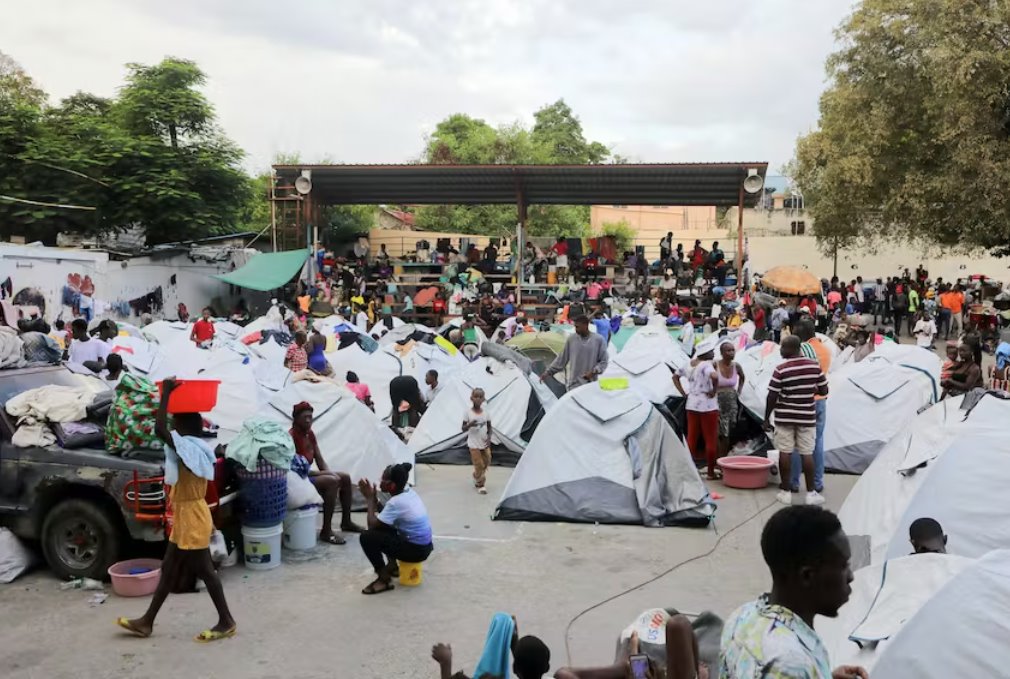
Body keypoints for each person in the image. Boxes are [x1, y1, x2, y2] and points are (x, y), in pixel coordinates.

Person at [116, 378, 236, 642]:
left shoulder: (188, 451)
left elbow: (160, 430)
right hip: (187, 516)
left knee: (205, 570)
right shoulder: (192, 449)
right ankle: (147, 621)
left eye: (176, 424)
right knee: (169, 569)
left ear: (184, 430)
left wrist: (167, 395)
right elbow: (166, 432)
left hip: (192, 517)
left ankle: (226, 620)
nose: (173, 429)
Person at [719, 506, 866, 679]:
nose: (850, 576)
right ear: (807, 576)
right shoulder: (789, 665)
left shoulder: (742, 616)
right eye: (843, 566)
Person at [764, 336, 828, 506]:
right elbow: (824, 389)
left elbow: (772, 395)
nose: (780, 351)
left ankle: (785, 492)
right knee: (807, 453)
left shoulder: (781, 369)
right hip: (806, 416)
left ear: (791, 349)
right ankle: (811, 493)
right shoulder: (814, 366)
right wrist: (811, 389)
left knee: (785, 452)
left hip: (784, 417)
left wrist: (766, 418)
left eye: (782, 348)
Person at [289, 402, 361, 545]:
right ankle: (326, 531)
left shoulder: (310, 434)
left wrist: (329, 473)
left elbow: (320, 461)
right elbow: (295, 470)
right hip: (299, 479)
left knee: (344, 478)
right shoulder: (291, 437)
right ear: (296, 419)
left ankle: (346, 522)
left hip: (308, 474)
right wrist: (329, 477)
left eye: (310, 417)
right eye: (305, 417)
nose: (309, 420)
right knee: (332, 482)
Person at [357, 462, 433, 595]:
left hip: (416, 551)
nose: (380, 481)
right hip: (423, 546)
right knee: (386, 526)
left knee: (366, 536)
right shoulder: (408, 492)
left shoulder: (396, 502)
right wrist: (376, 502)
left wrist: (369, 500)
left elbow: (372, 526)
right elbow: (385, 517)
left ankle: (383, 578)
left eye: (383, 479)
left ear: (391, 485)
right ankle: (392, 566)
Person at [793, 320, 830, 496]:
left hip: (804, 400)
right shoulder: (825, 349)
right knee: (818, 442)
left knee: (796, 442)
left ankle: (793, 481)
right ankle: (817, 481)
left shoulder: (803, 351)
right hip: (821, 400)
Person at [674, 341, 720, 479]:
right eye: (711, 351)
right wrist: (714, 390)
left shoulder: (688, 364)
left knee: (691, 438)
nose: (713, 353)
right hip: (708, 405)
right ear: (705, 353)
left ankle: (689, 471)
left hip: (691, 403)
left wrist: (683, 392)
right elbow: (715, 376)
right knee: (710, 439)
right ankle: (711, 472)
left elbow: (675, 376)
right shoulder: (706, 365)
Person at [540, 315, 608, 389]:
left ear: (586, 325)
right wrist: (548, 372)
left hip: (590, 385)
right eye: (575, 327)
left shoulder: (598, 340)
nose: (576, 329)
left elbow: (604, 361)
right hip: (574, 384)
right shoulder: (572, 339)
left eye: (578, 327)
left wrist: (593, 372)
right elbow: (562, 359)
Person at [715, 342, 745, 462]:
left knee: (727, 433)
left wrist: (739, 391)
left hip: (731, 403)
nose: (731, 353)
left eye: (733, 350)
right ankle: (718, 459)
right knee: (719, 433)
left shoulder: (736, 366)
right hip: (717, 402)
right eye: (728, 350)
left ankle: (723, 459)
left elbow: (742, 377)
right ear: (722, 353)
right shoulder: (715, 365)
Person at [463, 387, 493, 495]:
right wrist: (470, 424)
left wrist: (489, 438)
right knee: (478, 463)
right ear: (471, 398)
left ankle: (476, 476)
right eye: (476, 396)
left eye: (481, 397)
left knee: (486, 461)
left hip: (484, 442)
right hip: (473, 443)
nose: (478, 399)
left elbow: (489, 427)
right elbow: (463, 428)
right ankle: (481, 485)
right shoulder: (468, 412)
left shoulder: (486, 413)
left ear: (483, 399)